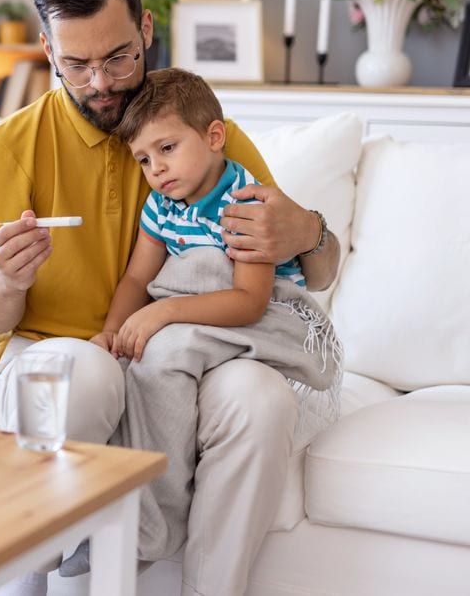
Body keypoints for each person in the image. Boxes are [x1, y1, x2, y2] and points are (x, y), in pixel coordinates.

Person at [0, 0, 340, 596]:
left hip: (182, 349)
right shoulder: (10, 147)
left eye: (117, 57)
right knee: (90, 374)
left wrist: (307, 229)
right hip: (60, 352)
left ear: (146, 30)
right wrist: (6, 282)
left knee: (261, 397)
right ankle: (30, 559)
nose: (100, 83)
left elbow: (320, 272)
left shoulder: (196, 132)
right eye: (75, 65)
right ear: (48, 51)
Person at [87, 66, 341, 577]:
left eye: (167, 148)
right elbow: (138, 279)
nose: (155, 168)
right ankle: (125, 513)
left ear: (214, 136)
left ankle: (157, 520)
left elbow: (249, 301)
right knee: (140, 363)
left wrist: (164, 313)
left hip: (259, 313)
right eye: (143, 158)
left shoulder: (244, 203)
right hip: (198, 312)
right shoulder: (160, 205)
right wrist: (113, 333)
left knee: (164, 352)